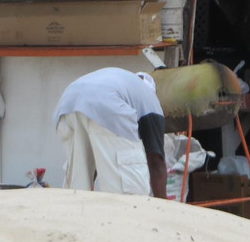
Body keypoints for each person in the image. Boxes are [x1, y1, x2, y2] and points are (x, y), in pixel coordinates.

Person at [52, 67, 167, 198]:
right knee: (129, 196)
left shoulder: (123, 84)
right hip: (106, 103)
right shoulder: (150, 101)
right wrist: (164, 209)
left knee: (78, 187)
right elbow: (156, 161)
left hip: (67, 104)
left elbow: (93, 158)